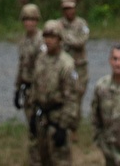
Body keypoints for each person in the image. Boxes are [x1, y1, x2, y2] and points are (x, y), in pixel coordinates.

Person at [29, 19, 81, 165]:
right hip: (42, 117)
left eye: (52, 37)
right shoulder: (40, 60)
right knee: (40, 158)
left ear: (59, 39)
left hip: (57, 119)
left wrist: (63, 127)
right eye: (46, 37)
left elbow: (71, 98)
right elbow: (35, 87)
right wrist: (33, 113)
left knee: (60, 160)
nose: (49, 41)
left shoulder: (66, 64)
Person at [56, 0, 90, 123]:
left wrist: (65, 37)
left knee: (78, 95)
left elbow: (81, 41)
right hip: (63, 66)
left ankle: (75, 124)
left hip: (79, 65)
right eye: (66, 9)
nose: (69, 11)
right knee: (63, 94)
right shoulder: (58, 24)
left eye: (71, 8)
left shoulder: (82, 24)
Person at [15, 1, 44, 129]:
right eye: (26, 20)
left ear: (37, 21)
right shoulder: (23, 41)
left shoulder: (42, 40)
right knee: (30, 126)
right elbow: (21, 65)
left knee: (38, 125)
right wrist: (17, 89)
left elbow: (44, 67)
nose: (29, 23)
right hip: (26, 87)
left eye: (32, 19)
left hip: (38, 87)